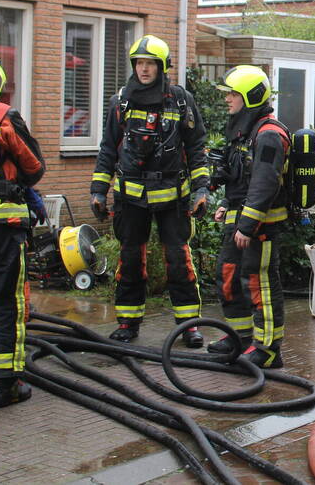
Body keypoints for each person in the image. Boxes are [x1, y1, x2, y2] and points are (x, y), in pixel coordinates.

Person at [90, 35, 209, 346]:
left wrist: (201, 190)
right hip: (131, 198)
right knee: (130, 260)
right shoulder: (121, 103)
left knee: (179, 260)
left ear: (162, 67)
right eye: (139, 63)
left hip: (172, 196)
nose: (143, 69)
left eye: (150, 63)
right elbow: (108, 150)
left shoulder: (181, 101)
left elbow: (196, 148)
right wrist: (99, 191)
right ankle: (128, 323)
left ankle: (188, 325)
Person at [0, 54, 45, 407]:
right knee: (3, 302)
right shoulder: (1, 116)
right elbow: (33, 167)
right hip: (1, 227)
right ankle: (5, 384)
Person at [208, 65, 290, 368]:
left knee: (260, 283)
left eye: (233, 94)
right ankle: (239, 339)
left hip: (260, 226)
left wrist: (248, 224)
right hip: (239, 219)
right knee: (228, 277)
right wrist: (226, 203)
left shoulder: (269, 134)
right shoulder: (245, 131)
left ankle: (267, 350)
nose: (228, 99)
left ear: (250, 96)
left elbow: (265, 183)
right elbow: (241, 177)